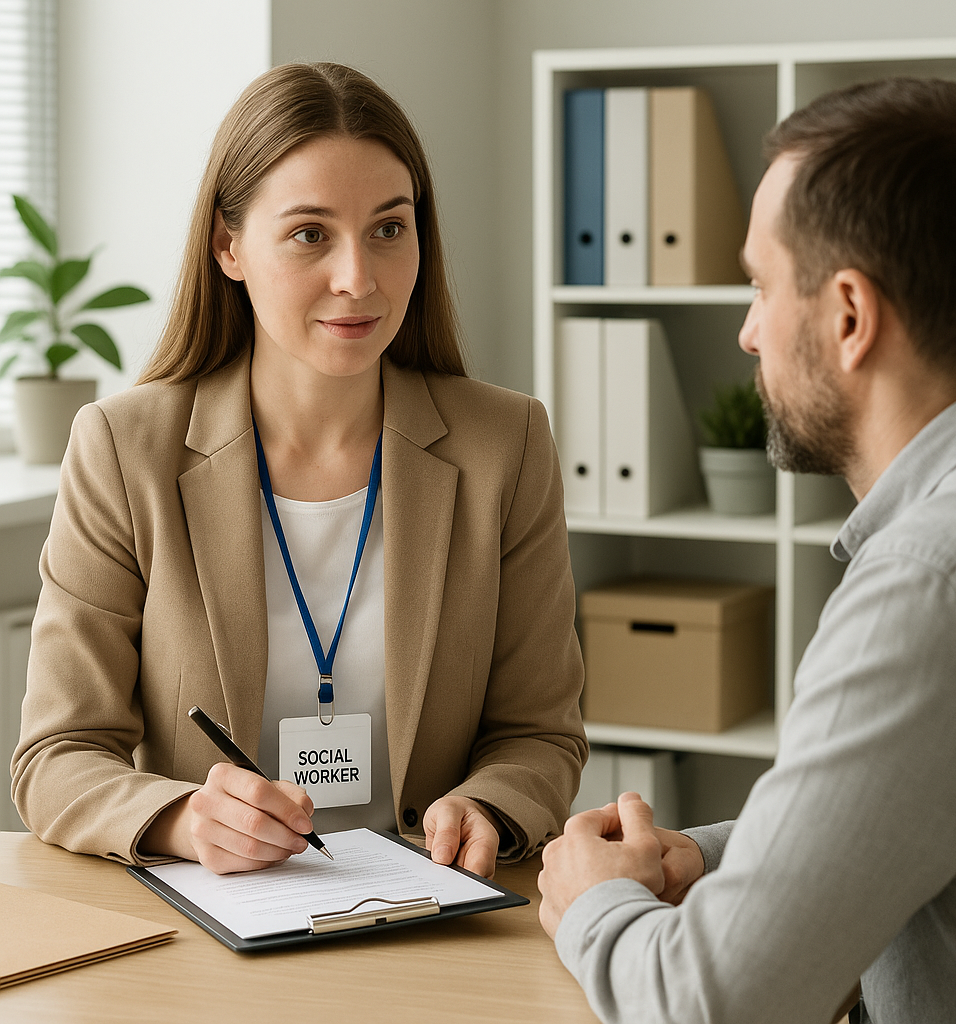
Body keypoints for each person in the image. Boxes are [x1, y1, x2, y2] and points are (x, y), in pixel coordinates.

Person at [12, 62, 586, 878]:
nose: (358, 277)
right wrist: (181, 817)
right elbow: (58, 754)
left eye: (389, 228)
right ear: (228, 246)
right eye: (311, 233)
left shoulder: (507, 444)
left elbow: (541, 730)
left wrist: (491, 803)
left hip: (433, 915)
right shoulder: (121, 448)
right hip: (217, 928)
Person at [538, 76, 956, 1024]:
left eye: (762, 285)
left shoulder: (935, 584)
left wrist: (593, 899)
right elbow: (934, 802)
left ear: (849, 315)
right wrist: (718, 856)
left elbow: (714, 1004)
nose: (747, 331)